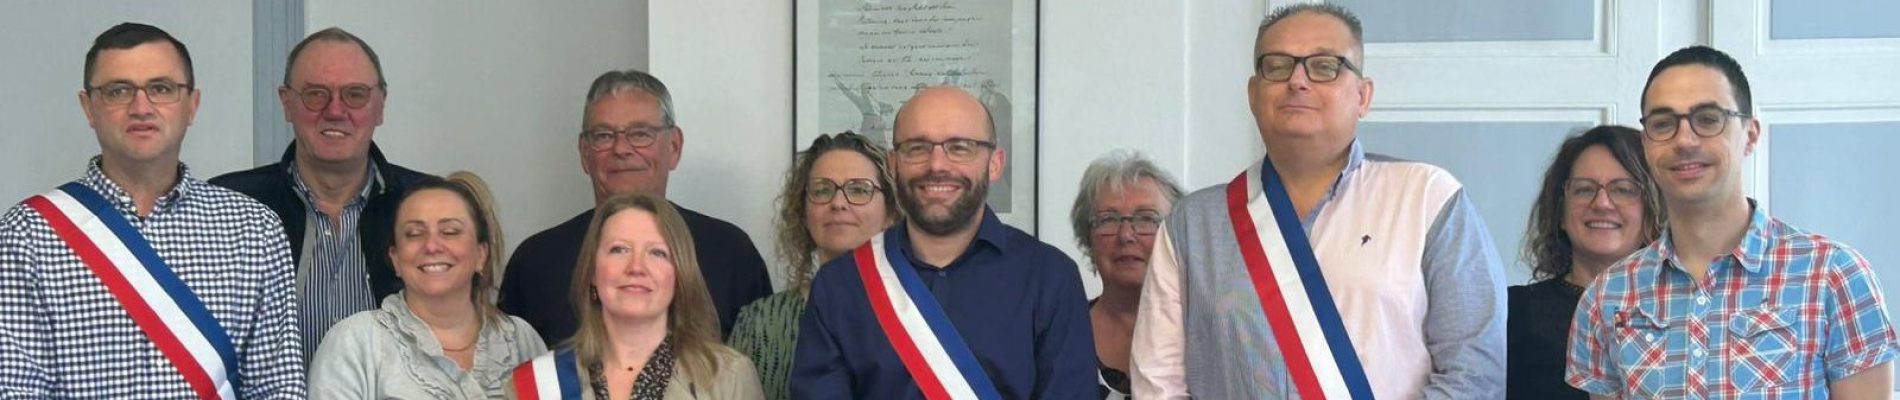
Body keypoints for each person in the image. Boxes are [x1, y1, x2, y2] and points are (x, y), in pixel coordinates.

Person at [1129, 4, 1508, 398]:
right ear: (1253, 94)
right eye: (1277, 66)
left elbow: (1474, 377)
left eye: (1325, 66)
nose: (1297, 81)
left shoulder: (1426, 198)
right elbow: (1158, 384)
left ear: (1363, 96)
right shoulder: (1194, 224)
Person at [1566, 45, 1899, 399]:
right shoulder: (1608, 295)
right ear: (1647, 144)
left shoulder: (1833, 275)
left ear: (1750, 135)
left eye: (1708, 119)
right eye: (1663, 124)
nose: (1684, 140)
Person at [0, 22, 304, 398]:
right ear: (89, 107)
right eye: (118, 91)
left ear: (192, 105)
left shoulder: (254, 229)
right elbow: (16, 389)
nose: (141, 108)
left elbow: (277, 387)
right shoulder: (28, 234)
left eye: (161, 88)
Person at [791, 86, 1097, 399]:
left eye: (960, 147)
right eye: (917, 148)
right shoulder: (839, 285)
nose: (937, 165)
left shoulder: (1050, 278)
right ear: (893, 164)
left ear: (995, 164)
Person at [501, 70, 772, 346]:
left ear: (674, 147)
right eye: (604, 136)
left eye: (640, 134)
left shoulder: (732, 252)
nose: (621, 149)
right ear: (584, 153)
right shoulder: (535, 262)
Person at [211, 27, 436, 358]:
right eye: (315, 94)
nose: (335, 111)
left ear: (380, 105)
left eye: (355, 94)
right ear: (287, 103)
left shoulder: (429, 207)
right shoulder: (226, 206)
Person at [309, 172, 547, 398]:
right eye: (414, 234)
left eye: (450, 232)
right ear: (395, 259)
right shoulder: (356, 341)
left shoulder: (521, 340)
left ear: (481, 254)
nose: (432, 246)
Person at [505, 194, 763, 399]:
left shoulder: (728, 376)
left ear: (679, 275)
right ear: (592, 272)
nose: (636, 267)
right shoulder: (534, 384)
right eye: (619, 250)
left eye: (657, 253)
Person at [728, 131, 898, 400]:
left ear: (891, 212)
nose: (838, 203)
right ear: (803, 213)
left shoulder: (917, 313)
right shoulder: (759, 323)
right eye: (822, 190)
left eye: (859, 190)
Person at [1506, 125, 1662, 399]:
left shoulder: (1687, 310)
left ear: (1654, 210)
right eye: (1584, 190)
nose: (1602, 203)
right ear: (1560, 213)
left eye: (1623, 190)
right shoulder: (1509, 312)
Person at [1068, 149, 1185, 399]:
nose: (1126, 235)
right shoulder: (1060, 331)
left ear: (1177, 234)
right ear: (1088, 238)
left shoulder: (1205, 333)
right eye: (1108, 220)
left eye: (1146, 219)